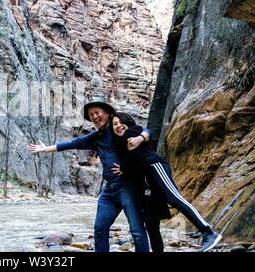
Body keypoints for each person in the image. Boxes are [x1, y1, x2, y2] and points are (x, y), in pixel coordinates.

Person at [29, 98, 151, 252]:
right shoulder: (95, 137)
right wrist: (46, 149)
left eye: (97, 112)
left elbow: (146, 130)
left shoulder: (118, 130)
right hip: (110, 190)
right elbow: (74, 143)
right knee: (100, 228)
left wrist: (140, 139)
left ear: (107, 113)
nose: (94, 116)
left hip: (128, 186)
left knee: (137, 231)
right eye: (91, 114)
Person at [110, 112, 222, 252]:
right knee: (151, 223)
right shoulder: (120, 143)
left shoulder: (133, 132)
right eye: (115, 124)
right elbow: (131, 162)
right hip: (147, 184)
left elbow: (141, 142)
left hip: (155, 167)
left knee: (174, 198)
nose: (119, 126)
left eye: (121, 122)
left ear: (128, 123)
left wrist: (126, 162)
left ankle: (208, 233)